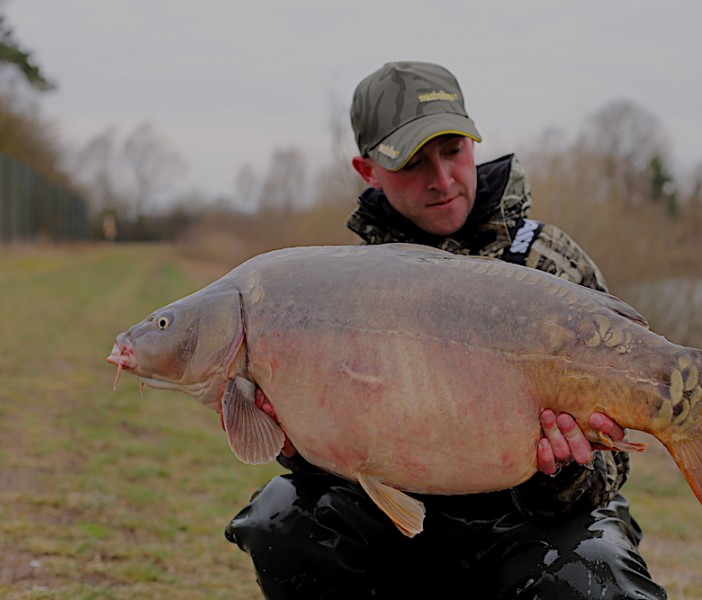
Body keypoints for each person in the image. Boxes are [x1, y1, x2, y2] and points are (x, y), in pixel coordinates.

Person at [226, 61, 667, 600]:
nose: (441, 179)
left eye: (453, 151)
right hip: (405, 517)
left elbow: (611, 467)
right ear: (368, 171)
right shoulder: (333, 292)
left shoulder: (549, 266)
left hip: (532, 522)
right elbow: (335, 470)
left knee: (597, 574)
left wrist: (557, 473)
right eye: (413, 162)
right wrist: (300, 442)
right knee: (282, 521)